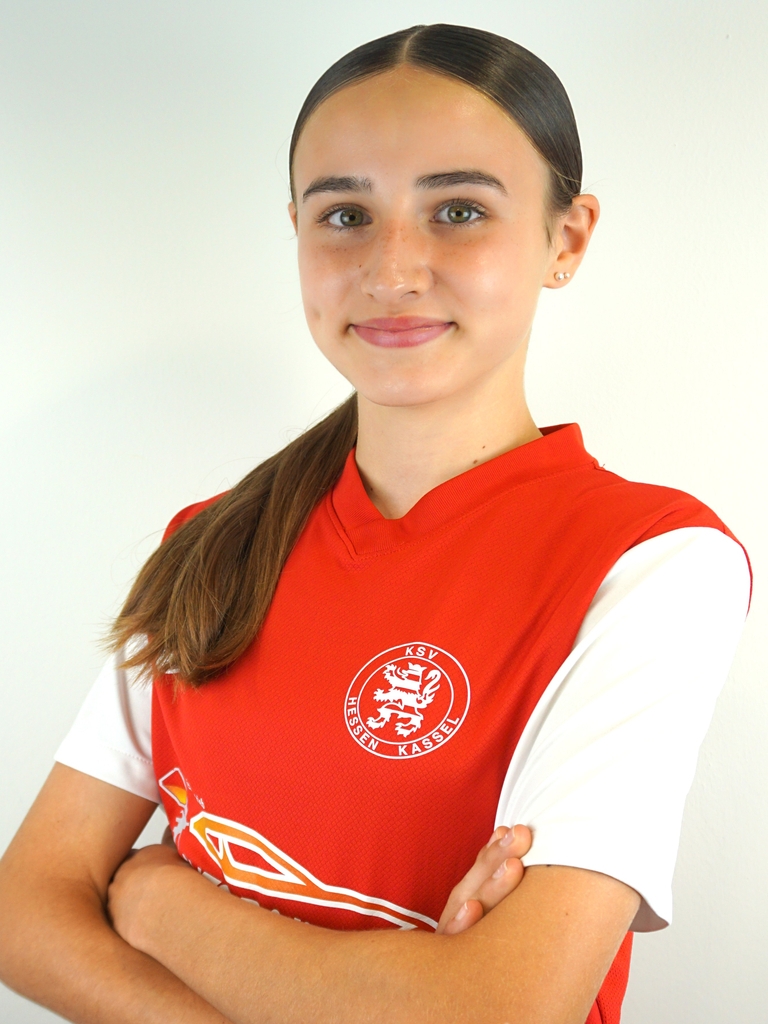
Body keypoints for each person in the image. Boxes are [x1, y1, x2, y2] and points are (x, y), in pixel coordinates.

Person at [0, 22, 751, 1024]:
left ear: (566, 239)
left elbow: (494, 1010)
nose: (392, 270)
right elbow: (24, 913)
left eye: (458, 210)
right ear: (297, 233)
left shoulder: (653, 563)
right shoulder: (210, 546)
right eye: (345, 215)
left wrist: (154, 900)